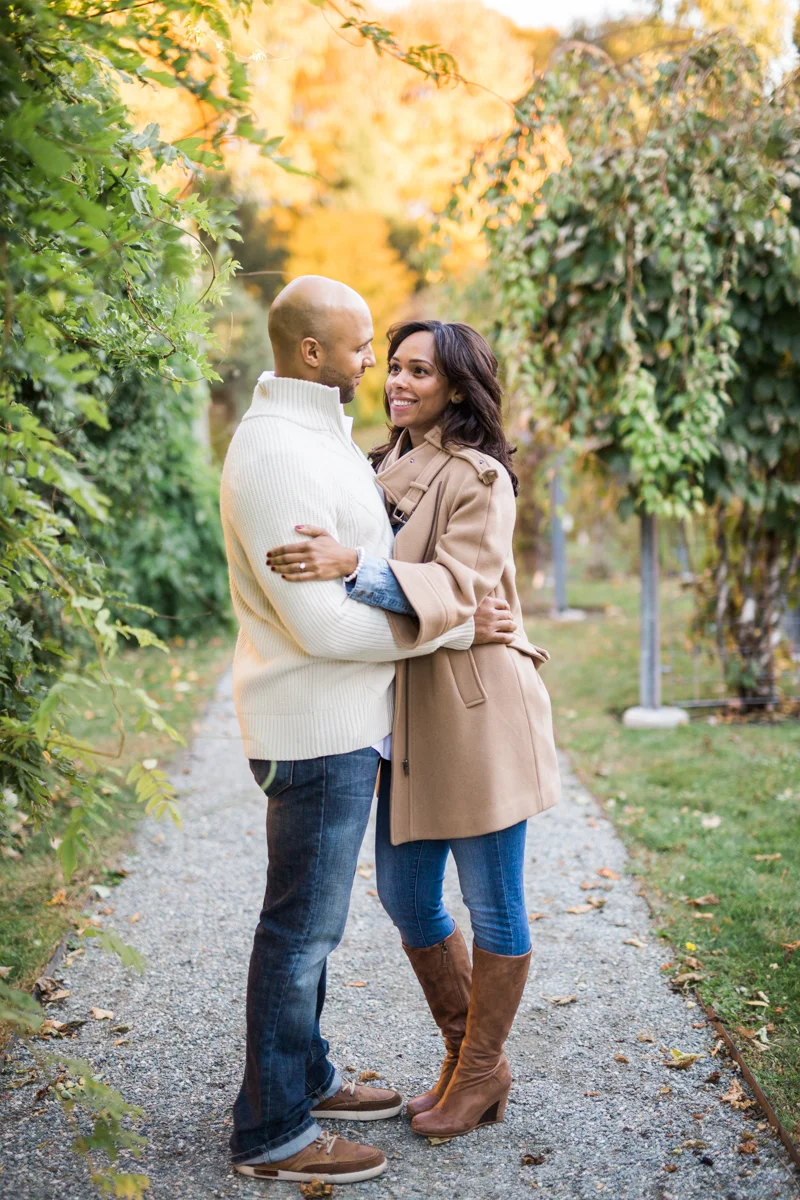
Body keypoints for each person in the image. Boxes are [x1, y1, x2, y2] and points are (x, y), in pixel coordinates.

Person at [219, 281, 515, 1185]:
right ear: (313, 353)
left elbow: (418, 568)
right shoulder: (286, 450)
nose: (379, 371)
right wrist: (454, 628)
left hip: (376, 720)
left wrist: (369, 570)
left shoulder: (335, 441)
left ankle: (316, 1079)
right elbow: (321, 624)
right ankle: (272, 1132)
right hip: (318, 720)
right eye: (368, 352)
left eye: (410, 365)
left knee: (320, 927)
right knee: (303, 930)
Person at [266, 319, 561, 1143]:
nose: (398, 381)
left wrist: (352, 567)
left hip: (474, 712)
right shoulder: (375, 465)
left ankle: (477, 1070)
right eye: (394, 366)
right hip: (405, 717)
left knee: (494, 903)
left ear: (458, 387)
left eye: (420, 371)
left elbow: (461, 588)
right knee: (404, 896)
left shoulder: (480, 478)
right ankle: (473, 1059)